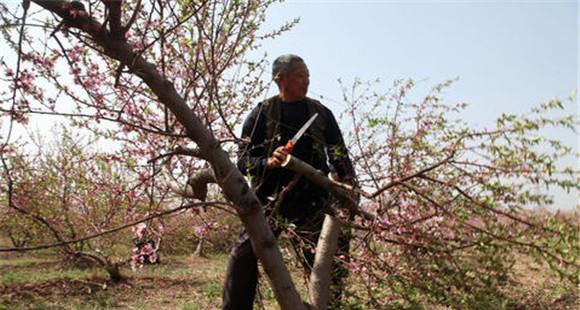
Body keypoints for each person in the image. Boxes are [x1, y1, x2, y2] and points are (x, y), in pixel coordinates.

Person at [221, 54, 356, 310]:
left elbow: (339, 155)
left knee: (329, 263)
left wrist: (347, 184)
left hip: (313, 201)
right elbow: (243, 161)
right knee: (243, 257)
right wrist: (267, 162)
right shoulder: (261, 113)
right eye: (300, 75)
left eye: (307, 75)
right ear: (280, 79)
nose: (307, 80)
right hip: (270, 200)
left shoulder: (321, 114)